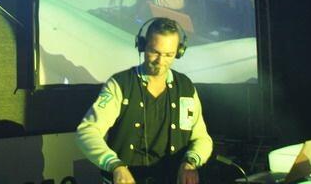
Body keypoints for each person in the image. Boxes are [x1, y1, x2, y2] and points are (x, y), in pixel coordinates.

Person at [76, 18, 212, 184]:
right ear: (142, 46)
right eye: (154, 52)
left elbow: (201, 138)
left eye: (169, 55)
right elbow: (88, 131)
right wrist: (115, 166)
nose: (160, 61)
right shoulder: (120, 84)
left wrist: (190, 162)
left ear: (179, 51)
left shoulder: (185, 87)